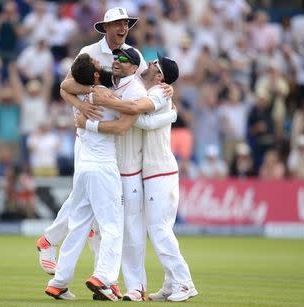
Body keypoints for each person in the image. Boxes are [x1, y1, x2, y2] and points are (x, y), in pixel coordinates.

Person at [36, 7, 146, 295]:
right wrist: (88, 103)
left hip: (95, 152)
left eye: (126, 23)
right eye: (117, 23)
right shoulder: (91, 56)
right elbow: (67, 84)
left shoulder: (130, 62)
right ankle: (106, 278)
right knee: (111, 223)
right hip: (95, 151)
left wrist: (90, 102)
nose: (123, 28)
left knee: (82, 218)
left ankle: (58, 277)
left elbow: (134, 92)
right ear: (105, 27)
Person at [80, 52, 198, 302]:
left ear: (160, 75)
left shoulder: (156, 92)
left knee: (151, 230)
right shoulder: (133, 86)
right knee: (106, 229)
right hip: (131, 171)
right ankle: (155, 284)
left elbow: (137, 117)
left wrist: (172, 115)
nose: (150, 63)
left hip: (152, 172)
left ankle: (176, 283)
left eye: (155, 63)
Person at [45, 53, 123, 301]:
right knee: (112, 226)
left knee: (78, 227)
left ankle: (59, 282)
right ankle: (104, 276)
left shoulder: (77, 95)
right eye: (98, 65)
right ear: (96, 75)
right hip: (103, 168)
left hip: (84, 169)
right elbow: (129, 112)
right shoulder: (103, 95)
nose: (102, 64)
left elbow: (65, 85)